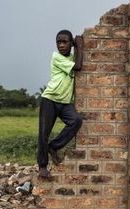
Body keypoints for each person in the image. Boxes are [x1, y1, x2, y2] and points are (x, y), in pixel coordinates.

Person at [37, 30, 83, 178]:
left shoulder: (71, 56)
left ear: (71, 43)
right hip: (50, 99)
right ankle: (42, 167)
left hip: (65, 102)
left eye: (65, 42)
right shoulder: (56, 57)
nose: (61, 45)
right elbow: (78, 66)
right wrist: (79, 47)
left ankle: (54, 147)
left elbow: (77, 60)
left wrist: (77, 48)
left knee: (76, 121)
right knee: (44, 133)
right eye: (59, 42)